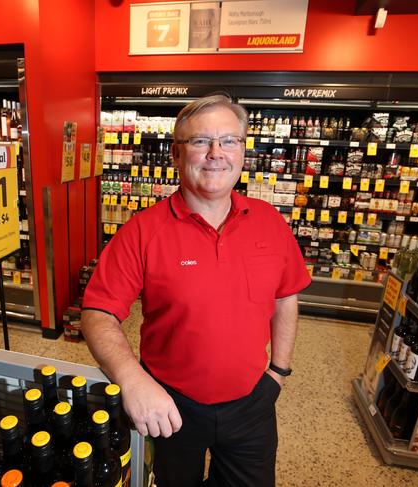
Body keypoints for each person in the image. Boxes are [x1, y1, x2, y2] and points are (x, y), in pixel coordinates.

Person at [81, 95, 311, 487]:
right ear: (175, 154)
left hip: (253, 402)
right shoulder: (142, 230)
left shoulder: (270, 222)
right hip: (168, 405)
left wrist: (279, 372)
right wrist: (132, 380)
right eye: (201, 141)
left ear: (242, 150)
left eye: (229, 140)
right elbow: (97, 313)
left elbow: (286, 296)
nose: (216, 153)